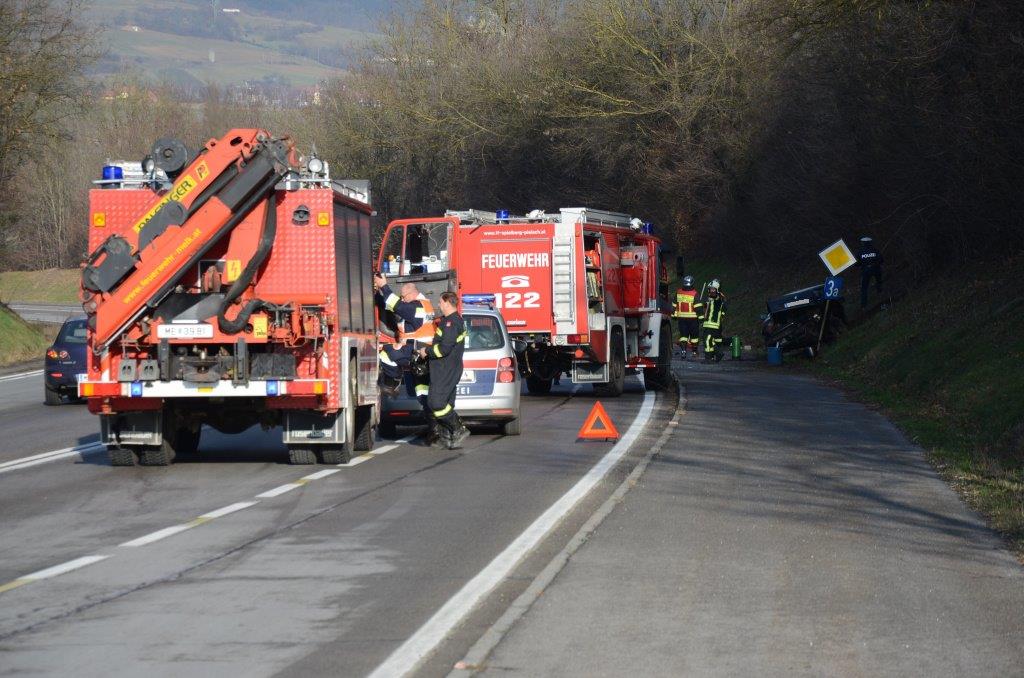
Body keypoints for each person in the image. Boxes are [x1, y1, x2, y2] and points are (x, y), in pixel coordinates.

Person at [418, 291, 469, 449]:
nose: (439, 305)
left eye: (440, 302)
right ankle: (446, 436)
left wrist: (427, 351)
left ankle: (458, 428)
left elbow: (444, 349)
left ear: (447, 302)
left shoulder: (451, 323)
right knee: (446, 403)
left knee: (436, 402)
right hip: (446, 368)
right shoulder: (451, 320)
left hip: (445, 369)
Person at [373, 273, 433, 398]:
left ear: (411, 294)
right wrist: (377, 294)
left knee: (386, 353)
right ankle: (427, 406)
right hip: (421, 351)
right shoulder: (422, 305)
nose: (402, 299)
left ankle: (392, 385)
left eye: (403, 296)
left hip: (416, 350)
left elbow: (397, 306)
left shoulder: (415, 308)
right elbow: (391, 306)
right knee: (422, 389)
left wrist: (383, 286)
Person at [672, 275, 700, 359]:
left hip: (681, 318)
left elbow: (674, 305)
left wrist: (674, 315)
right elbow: (698, 307)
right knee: (694, 337)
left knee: (683, 336)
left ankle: (683, 351)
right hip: (693, 319)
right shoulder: (694, 293)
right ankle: (694, 352)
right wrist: (701, 317)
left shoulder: (678, 292)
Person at [699, 279, 726, 362]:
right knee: (710, 340)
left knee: (707, 340)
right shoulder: (709, 299)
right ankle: (716, 354)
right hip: (708, 324)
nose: (711, 291)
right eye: (710, 289)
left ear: (717, 290)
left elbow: (718, 301)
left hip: (713, 325)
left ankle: (708, 358)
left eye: (713, 289)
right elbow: (705, 308)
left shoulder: (719, 299)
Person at [857, 236, 883, 309]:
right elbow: (881, 260)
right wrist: (875, 264)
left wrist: (861, 265)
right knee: (879, 283)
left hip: (866, 271)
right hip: (876, 269)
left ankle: (863, 305)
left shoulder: (860, 252)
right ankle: (880, 296)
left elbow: (857, 263)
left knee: (864, 288)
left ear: (863, 243)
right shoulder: (875, 250)